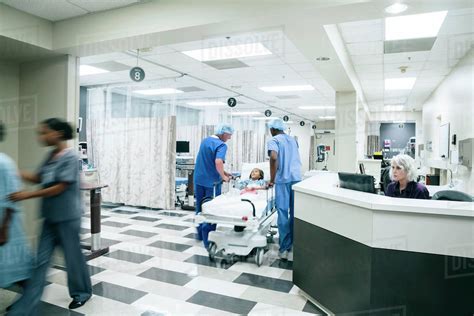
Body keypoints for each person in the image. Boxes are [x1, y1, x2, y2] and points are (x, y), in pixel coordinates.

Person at [8, 118, 92, 315]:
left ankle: (82, 293)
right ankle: (25, 306)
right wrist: (14, 171)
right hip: (50, 218)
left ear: (58, 133)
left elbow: (59, 187)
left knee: (73, 259)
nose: (41, 136)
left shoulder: (70, 157)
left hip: (68, 218)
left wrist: (26, 195)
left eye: (44, 132)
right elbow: (39, 178)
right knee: (39, 263)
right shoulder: (51, 155)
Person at [0, 122, 32, 296]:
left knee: (18, 266)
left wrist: (4, 228)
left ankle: (30, 299)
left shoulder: (4, 163)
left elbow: (13, 195)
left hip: (7, 223)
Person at [194, 123, 234, 249]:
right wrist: (223, 177)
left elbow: (208, 161)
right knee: (212, 209)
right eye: (229, 135)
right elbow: (218, 161)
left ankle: (200, 234)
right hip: (212, 183)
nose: (230, 138)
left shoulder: (205, 141)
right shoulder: (221, 145)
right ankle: (208, 239)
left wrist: (224, 172)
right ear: (223, 133)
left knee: (200, 206)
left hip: (199, 179)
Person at [267, 118, 302, 260]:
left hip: (283, 180)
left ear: (272, 129)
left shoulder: (274, 140)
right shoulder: (293, 140)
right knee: (295, 213)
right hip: (297, 179)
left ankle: (284, 247)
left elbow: (274, 157)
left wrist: (272, 179)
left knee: (282, 213)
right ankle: (295, 243)